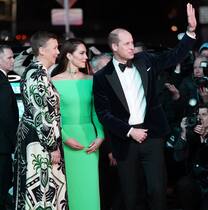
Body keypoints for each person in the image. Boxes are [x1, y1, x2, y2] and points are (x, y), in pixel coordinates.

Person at [93, 3, 197, 210]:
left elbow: (174, 56)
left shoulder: (144, 60)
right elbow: (103, 114)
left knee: (157, 191)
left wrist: (190, 32)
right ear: (114, 47)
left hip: (152, 136)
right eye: (127, 44)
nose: (132, 47)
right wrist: (130, 131)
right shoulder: (102, 77)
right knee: (131, 196)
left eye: (132, 42)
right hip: (125, 140)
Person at [14, 31, 68, 210]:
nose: (58, 52)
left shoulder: (38, 72)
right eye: (54, 48)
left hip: (39, 140)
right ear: (42, 50)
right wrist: (52, 146)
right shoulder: (36, 74)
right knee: (39, 191)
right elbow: (41, 114)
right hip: (38, 143)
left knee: (45, 190)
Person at [51, 38, 105, 210]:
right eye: (81, 53)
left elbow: (95, 112)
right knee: (70, 191)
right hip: (65, 139)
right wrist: (65, 138)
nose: (85, 57)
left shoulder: (91, 80)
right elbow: (52, 115)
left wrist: (100, 136)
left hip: (89, 140)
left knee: (90, 188)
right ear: (68, 55)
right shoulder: (53, 81)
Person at [0, 45, 19, 210]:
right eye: (9, 58)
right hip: (3, 146)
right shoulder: (2, 82)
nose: (13, 60)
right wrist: (16, 142)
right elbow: (6, 116)